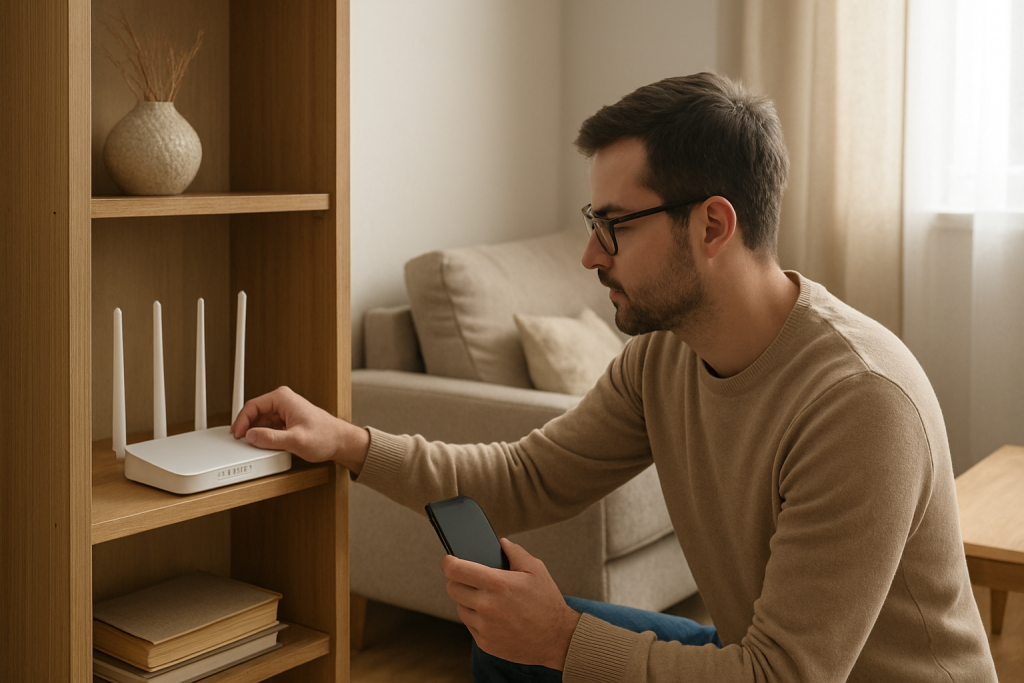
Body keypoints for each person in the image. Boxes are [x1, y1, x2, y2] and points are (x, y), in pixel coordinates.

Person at [232, 73, 997, 682]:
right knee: (508, 648)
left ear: (712, 226)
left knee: (547, 644)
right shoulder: (661, 357)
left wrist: (564, 638)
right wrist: (347, 440)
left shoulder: (859, 402)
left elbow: (781, 674)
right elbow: (526, 476)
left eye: (613, 226)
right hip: (754, 652)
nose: (590, 256)